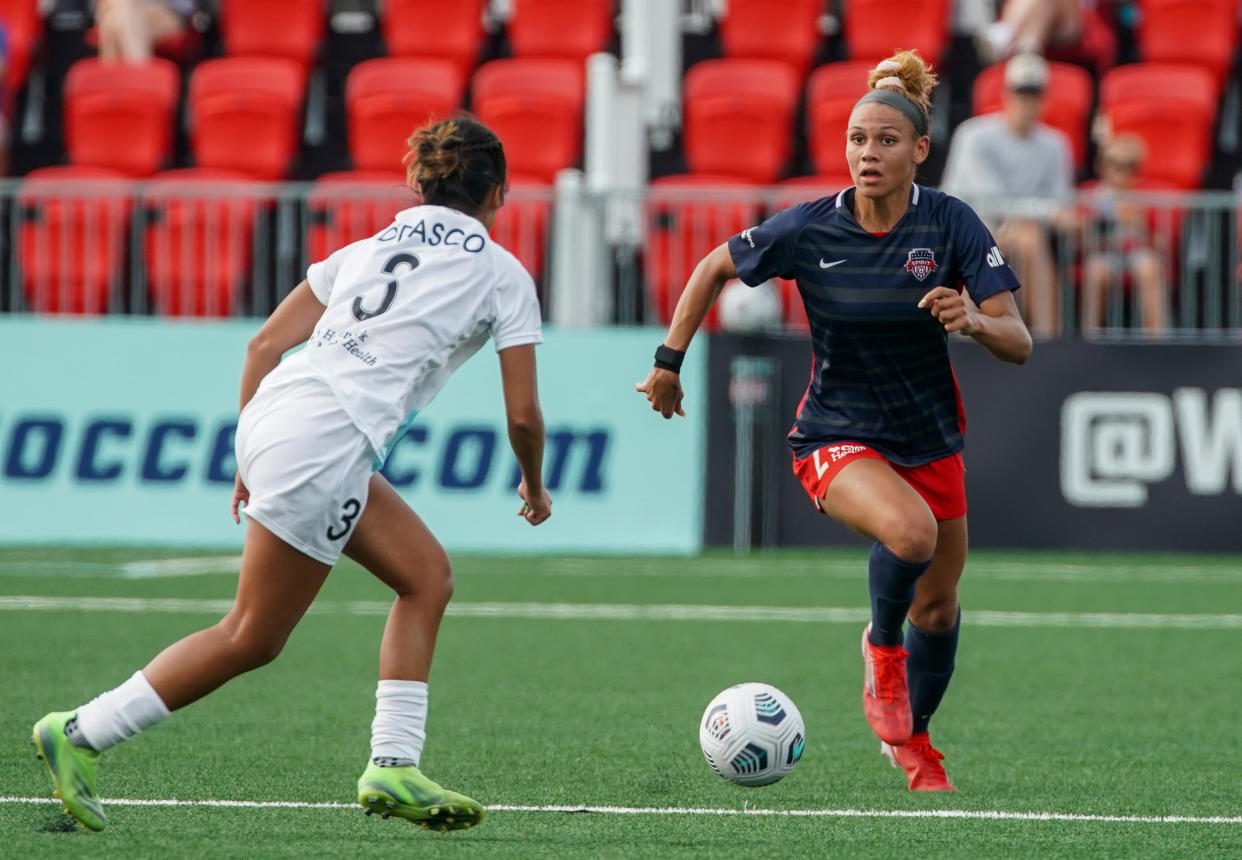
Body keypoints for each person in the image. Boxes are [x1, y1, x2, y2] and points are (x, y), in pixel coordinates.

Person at [31, 117, 551, 832]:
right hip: (328, 440)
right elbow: (523, 415)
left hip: (281, 411)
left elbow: (265, 343)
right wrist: (534, 481)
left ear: (417, 183)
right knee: (251, 634)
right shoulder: (502, 272)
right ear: (500, 192)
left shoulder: (366, 249)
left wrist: (249, 453)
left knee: (426, 576)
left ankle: (395, 763)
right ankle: (80, 731)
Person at [637, 51, 1032, 791]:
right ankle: (881, 651)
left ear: (919, 151)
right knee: (909, 535)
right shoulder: (811, 229)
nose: (867, 153)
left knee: (941, 608)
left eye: (885, 140)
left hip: (929, 440)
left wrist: (974, 319)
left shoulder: (951, 223)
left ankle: (913, 740)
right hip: (834, 436)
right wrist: (668, 360)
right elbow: (713, 268)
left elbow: (1020, 341)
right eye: (856, 139)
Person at [940, 52, 1073, 338]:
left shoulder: (1056, 144)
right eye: (1021, 92)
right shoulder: (974, 134)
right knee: (982, 236)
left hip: (1016, 227)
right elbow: (989, 197)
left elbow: (1062, 204)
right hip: (965, 224)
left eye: (1033, 93)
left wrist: (1025, 219)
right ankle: (964, 335)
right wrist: (1036, 215)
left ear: (1043, 98)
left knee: (1029, 237)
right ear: (1006, 94)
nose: (1026, 100)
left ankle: (1046, 339)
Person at [1078, 133, 1169, 334]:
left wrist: (1141, 226)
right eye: (1114, 164)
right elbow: (1077, 241)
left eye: (1130, 167)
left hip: (1138, 254)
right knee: (1096, 271)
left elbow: (1161, 245)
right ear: (1101, 165)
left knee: (1149, 268)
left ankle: (1157, 343)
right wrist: (1098, 222)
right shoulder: (1088, 195)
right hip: (1102, 253)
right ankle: (1090, 340)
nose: (1121, 173)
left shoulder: (1148, 198)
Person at [94, 0, 194, 63]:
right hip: (123, 13)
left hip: (169, 14)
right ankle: (141, 72)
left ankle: (110, 84)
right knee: (123, 13)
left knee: (117, 17)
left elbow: (187, 6)